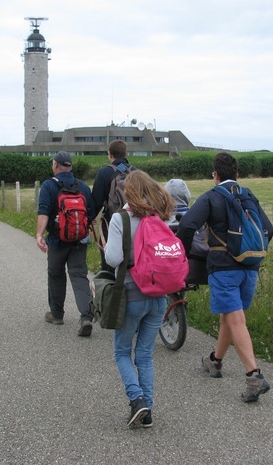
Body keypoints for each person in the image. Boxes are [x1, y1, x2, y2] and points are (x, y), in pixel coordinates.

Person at [176, 152, 273, 403]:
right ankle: (215, 361)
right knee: (230, 317)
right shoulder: (248, 195)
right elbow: (269, 229)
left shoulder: (212, 197)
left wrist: (183, 254)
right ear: (237, 174)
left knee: (236, 320)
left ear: (215, 175)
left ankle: (254, 377)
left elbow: (187, 226)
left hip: (223, 269)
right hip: (250, 267)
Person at [104, 170, 174, 428]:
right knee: (144, 355)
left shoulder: (121, 218)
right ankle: (148, 410)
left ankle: (137, 400)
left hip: (132, 294)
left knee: (122, 351)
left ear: (127, 191)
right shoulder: (160, 218)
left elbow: (113, 259)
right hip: (159, 298)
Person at [36, 151, 97, 337]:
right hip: (79, 241)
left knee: (56, 275)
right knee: (79, 276)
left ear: (55, 165)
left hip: (56, 241)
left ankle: (57, 314)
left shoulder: (48, 186)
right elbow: (92, 213)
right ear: (70, 166)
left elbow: (44, 212)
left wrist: (39, 234)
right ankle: (86, 316)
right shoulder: (83, 187)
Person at [91, 139, 136, 272]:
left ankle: (111, 290)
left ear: (109, 154)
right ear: (126, 154)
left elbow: (96, 201)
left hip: (110, 224)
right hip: (135, 223)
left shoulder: (104, 172)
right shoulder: (136, 172)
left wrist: (89, 219)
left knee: (109, 265)